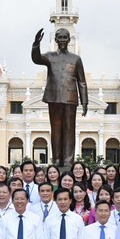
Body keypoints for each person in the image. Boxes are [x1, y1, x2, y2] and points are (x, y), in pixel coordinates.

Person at [32, 27, 88, 167]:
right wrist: (36, 44)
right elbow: (36, 58)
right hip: (54, 98)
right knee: (56, 130)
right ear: (56, 40)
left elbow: (82, 81)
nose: (62, 40)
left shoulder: (76, 59)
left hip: (70, 99)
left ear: (69, 40)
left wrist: (85, 102)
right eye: (60, 37)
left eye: (65, 37)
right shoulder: (50, 56)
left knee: (69, 130)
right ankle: (57, 160)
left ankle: (69, 161)